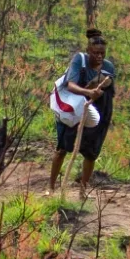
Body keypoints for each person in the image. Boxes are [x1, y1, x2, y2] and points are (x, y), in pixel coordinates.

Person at [49, 29, 116, 192]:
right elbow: (71, 85)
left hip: (99, 111)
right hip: (75, 109)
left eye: (102, 53)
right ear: (88, 51)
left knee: (91, 152)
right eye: (95, 53)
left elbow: (110, 90)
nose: (99, 56)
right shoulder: (79, 60)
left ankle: (83, 189)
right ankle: (51, 187)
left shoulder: (108, 67)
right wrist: (88, 92)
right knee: (62, 148)